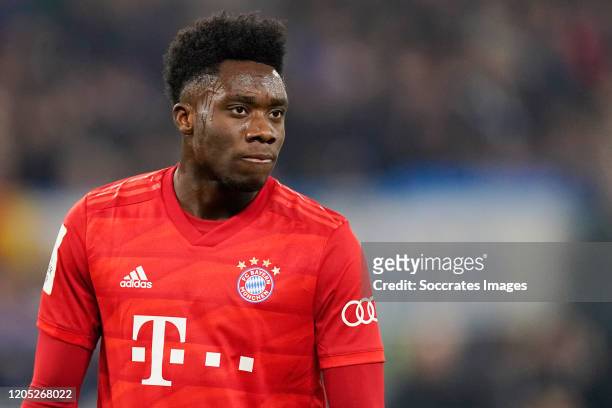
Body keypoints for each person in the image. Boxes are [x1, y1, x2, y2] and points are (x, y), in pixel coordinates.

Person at [24, 13, 384, 407]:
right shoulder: (95, 223)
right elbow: (49, 394)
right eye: (240, 110)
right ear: (186, 118)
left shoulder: (326, 242)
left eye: (276, 113)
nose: (264, 131)